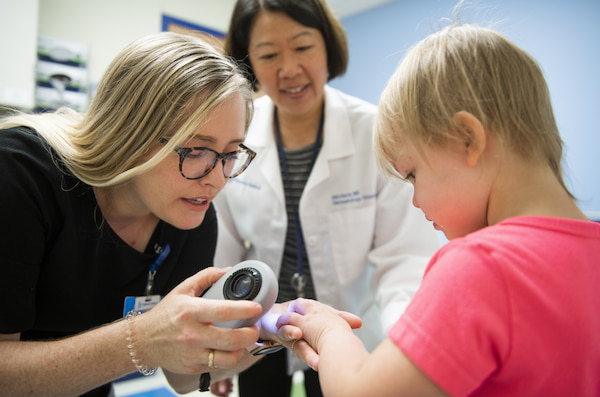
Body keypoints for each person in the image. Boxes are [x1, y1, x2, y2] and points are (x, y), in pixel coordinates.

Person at [0, 32, 334, 396]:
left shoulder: (191, 214)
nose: (217, 179)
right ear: (130, 131)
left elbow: (183, 377)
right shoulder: (19, 176)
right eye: (196, 151)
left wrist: (261, 331)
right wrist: (140, 341)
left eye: (231, 153)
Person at [277, 23, 600, 396]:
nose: (414, 201)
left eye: (412, 174)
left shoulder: (482, 266)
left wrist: (329, 331)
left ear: (468, 139)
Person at [213, 0, 441, 395]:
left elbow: (403, 255)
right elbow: (223, 250)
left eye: (302, 47)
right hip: (260, 326)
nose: (289, 70)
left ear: (327, 48)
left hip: (346, 332)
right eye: (268, 54)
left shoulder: (374, 131)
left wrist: (407, 348)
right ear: (247, 63)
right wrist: (219, 339)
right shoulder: (236, 133)